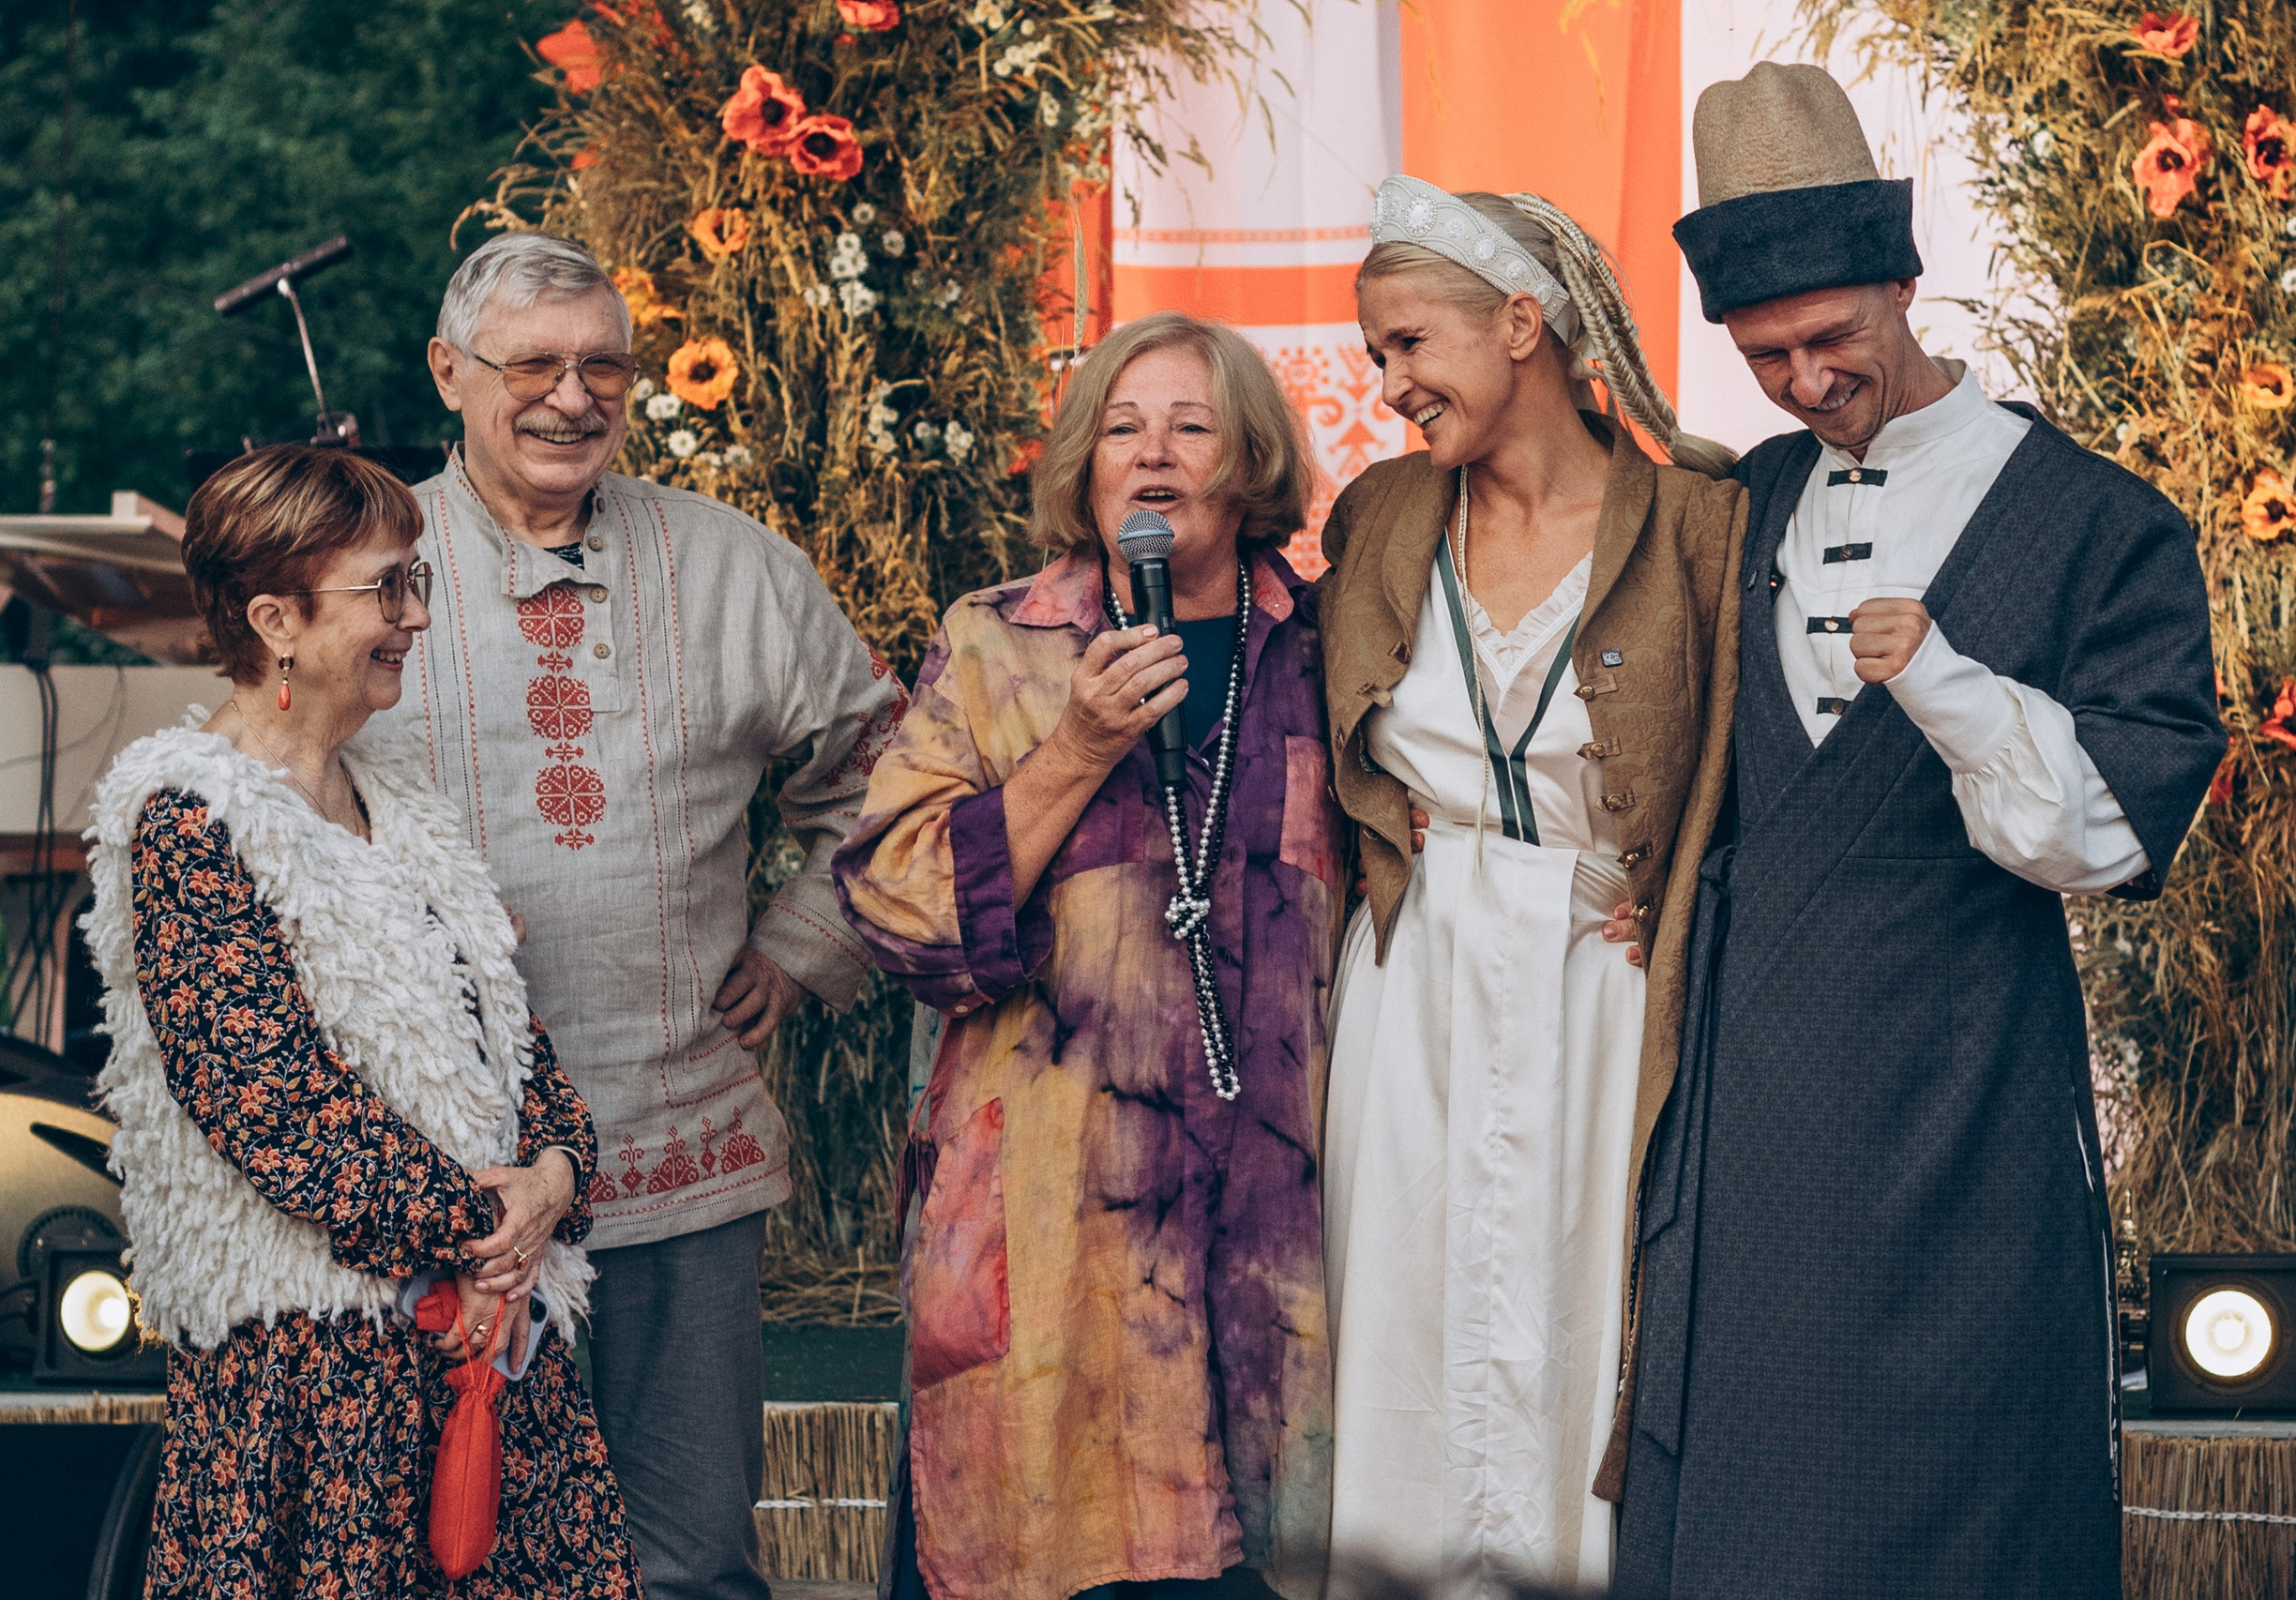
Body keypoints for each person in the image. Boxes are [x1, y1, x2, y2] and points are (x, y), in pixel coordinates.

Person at [1610, 65, 2223, 1599]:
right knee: (1750, 1497)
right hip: (1748, 1101)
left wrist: (1946, 684)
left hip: (1967, 1092)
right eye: (1767, 358)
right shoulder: (1738, 502)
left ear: (1903, 277)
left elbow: (2116, 841)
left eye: (1835, 338)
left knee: (1968, 1490)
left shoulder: (2100, 522)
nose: (1808, 382)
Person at [373, 231, 904, 1600]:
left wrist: (804, 942)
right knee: (446, 1553)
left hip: (679, 1144)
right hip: (440, 1176)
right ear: (449, 373)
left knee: (687, 1558)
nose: (572, 395)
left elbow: (888, 778)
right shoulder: (367, 565)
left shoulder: (736, 569)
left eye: (603, 364)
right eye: (533, 363)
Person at [834, 309, 1340, 1600]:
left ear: (1251, 464)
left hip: (1284, 1227)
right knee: (1041, 1545)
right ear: (1084, 460)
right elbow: (893, 906)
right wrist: (1077, 745)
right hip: (1059, 1220)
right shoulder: (1001, 641)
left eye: (1191, 425)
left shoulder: (1332, 647)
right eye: (1122, 426)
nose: (1152, 454)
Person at [82, 445, 640, 1597]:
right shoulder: (188, 815)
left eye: (416, 581)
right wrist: (484, 1235)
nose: (416, 616)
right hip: (322, 1381)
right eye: (386, 589)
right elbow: (270, 1102)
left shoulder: (407, 808)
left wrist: (548, 1177)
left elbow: (516, 1049)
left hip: (487, 1346)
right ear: (276, 617)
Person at [1311, 177, 1745, 1589]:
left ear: (1520, 324)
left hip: (1600, 979)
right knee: (1408, 1314)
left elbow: (1753, 774)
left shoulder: (1702, 520)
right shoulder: (1375, 517)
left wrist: (1666, 892)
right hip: (1414, 980)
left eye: (1409, 345)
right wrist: (1389, 827)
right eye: (1375, 354)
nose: (1389, 385)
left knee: (1576, 1310)